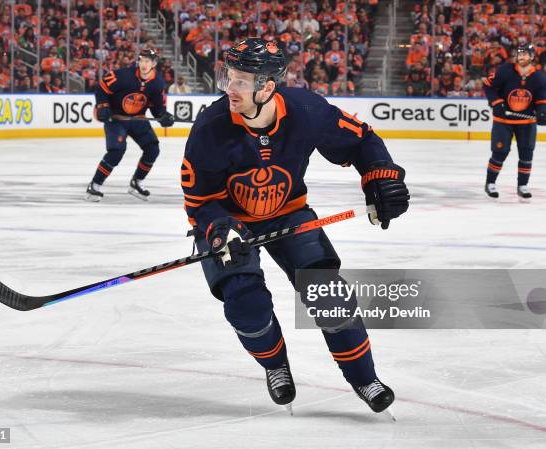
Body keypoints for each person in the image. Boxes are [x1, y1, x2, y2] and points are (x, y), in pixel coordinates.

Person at [180, 39, 409, 413]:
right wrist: (220, 229)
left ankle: (364, 377)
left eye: (239, 81)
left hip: (289, 212)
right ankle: (275, 367)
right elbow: (200, 202)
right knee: (245, 303)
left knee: (330, 297)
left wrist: (380, 176)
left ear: (267, 87)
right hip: (233, 226)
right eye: (229, 78)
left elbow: (362, 140)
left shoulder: (306, 110)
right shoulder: (211, 128)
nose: (229, 89)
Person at [86, 48, 175, 202]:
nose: (144, 64)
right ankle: (94, 185)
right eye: (142, 60)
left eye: (148, 61)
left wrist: (163, 116)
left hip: (137, 120)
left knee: (152, 149)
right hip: (116, 119)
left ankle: (137, 182)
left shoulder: (158, 83)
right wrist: (102, 106)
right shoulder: (123, 75)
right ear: (138, 61)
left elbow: (157, 107)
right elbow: (102, 88)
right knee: (116, 151)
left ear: (154, 64)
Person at [483, 43, 546, 200]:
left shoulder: (539, 77)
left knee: (526, 154)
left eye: (527, 54)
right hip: (503, 121)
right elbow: (488, 85)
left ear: (532, 57)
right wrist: (496, 103)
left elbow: (541, 98)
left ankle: (522, 186)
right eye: (520, 54)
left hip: (526, 123)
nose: (523, 56)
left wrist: (542, 112)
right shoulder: (505, 70)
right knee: (499, 152)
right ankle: (490, 183)